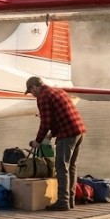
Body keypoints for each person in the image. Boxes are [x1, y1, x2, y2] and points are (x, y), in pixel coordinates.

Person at [25, 76, 87, 211]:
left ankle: (63, 202)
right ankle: (70, 200)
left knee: (61, 166)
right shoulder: (58, 91)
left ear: (34, 87)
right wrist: (51, 135)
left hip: (67, 133)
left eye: (31, 91)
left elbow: (46, 122)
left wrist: (38, 141)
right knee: (71, 166)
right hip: (78, 131)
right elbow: (57, 116)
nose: (32, 95)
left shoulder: (43, 97)